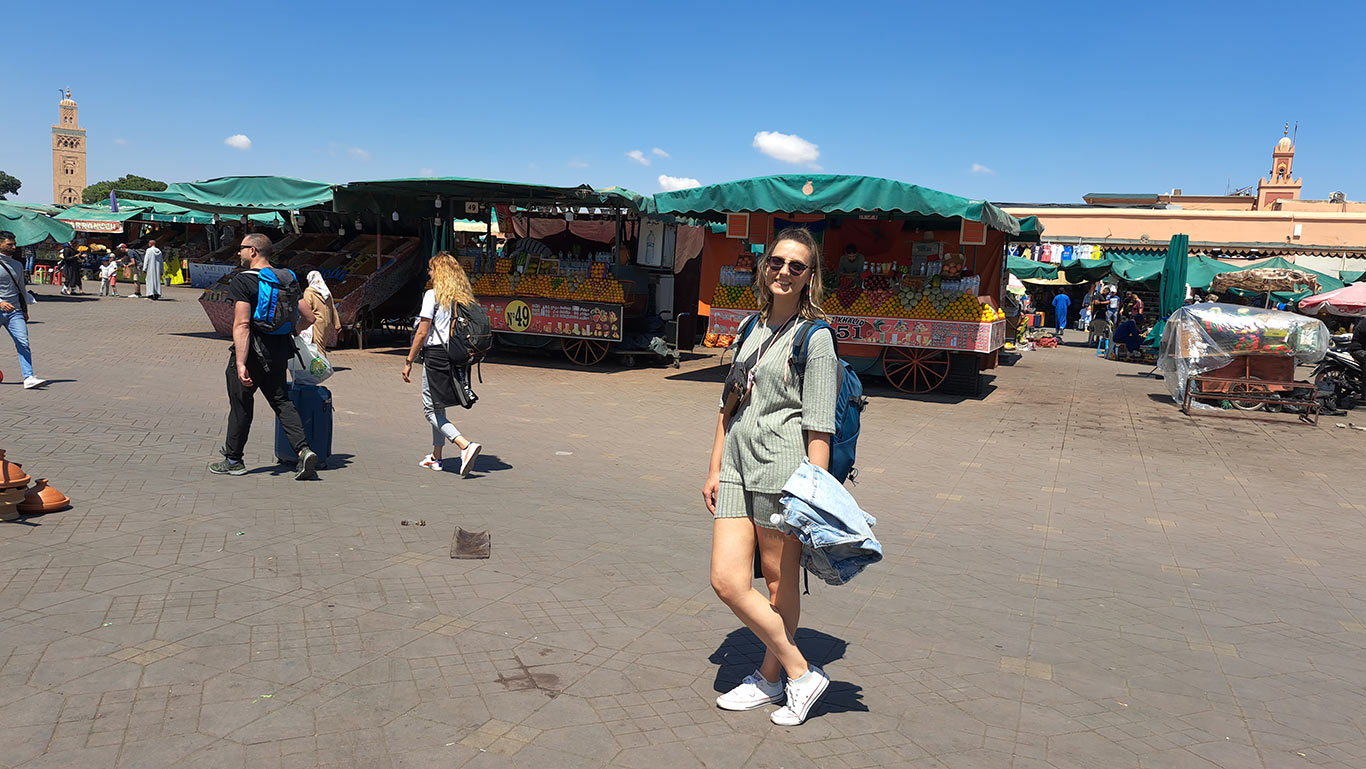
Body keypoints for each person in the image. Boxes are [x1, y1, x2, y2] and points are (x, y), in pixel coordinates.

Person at [702, 227, 838, 727]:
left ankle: (772, 675)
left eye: (796, 266)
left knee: (780, 581)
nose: (783, 272)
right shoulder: (750, 328)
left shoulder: (816, 339)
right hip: (736, 469)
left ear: (810, 277)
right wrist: (715, 466)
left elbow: (819, 424)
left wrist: (812, 493)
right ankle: (802, 672)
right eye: (776, 262)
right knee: (727, 581)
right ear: (765, 267)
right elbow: (728, 404)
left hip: (783, 474)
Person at [209, 234, 319, 479]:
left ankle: (234, 460)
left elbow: (242, 325)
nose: (239, 252)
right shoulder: (287, 278)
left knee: (241, 406)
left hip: (252, 353)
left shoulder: (243, 281)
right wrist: (293, 330)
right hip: (279, 350)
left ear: (254, 251)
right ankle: (304, 451)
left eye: (242, 248)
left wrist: (240, 362)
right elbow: (310, 317)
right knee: (282, 402)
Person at [400, 253, 484, 476]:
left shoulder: (432, 295)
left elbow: (422, 332)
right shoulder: (461, 297)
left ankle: (464, 445)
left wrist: (409, 360)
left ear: (440, 272)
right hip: (454, 353)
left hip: (436, 354)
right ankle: (436, 457)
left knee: (429, 408)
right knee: (438, 405)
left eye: (431, 269)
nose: (429, 273)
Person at [0, 232, 46, 388]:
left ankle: (29, 377)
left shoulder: (18, 265)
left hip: (15, 311)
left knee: (23, 342)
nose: (14, 247)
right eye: (9, 244)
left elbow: (21, 289)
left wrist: (24, 310)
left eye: (14, 244)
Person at [301, 270, 341, 356]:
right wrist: (337, 325)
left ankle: (323, 367)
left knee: (318, 346)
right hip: (326, 322)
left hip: (316, 322)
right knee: (321, 344)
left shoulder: (309, 291)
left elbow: (307, 307)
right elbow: (332, 308)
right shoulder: (326, 292)